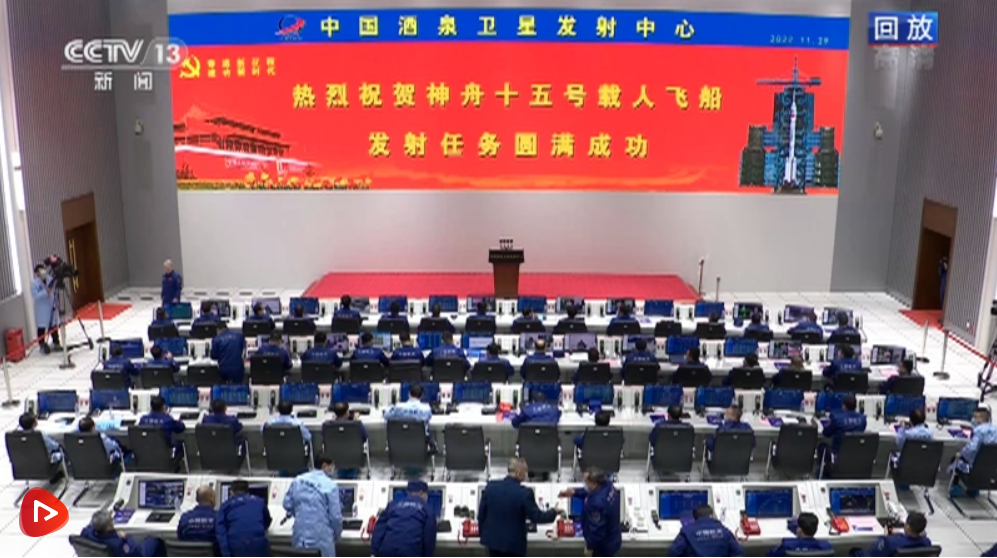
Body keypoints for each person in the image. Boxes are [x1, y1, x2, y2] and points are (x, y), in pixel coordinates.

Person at [479, 458, 561, 556]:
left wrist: (483, 535)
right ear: (518, 472)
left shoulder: (490, 487)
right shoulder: (525, 493)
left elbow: (481, 515)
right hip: (514, 546)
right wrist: (554, 512)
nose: (526, 475)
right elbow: (537, 517)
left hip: (492, 544)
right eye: (525, 472)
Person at [283, 456, 343, 557]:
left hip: (300, 537)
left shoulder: (298, 480)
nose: (333, 469)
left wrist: (299, 514)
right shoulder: (330, 486)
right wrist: (336, 535)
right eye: (332, 466)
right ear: (324, 466)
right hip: (321, 540)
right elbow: (335, 517)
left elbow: (287, 504)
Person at [557, 467, 622, 557]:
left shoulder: (596, 503)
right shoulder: (607, 484)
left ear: (594, 483)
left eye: (586, 482)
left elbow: (597, 531)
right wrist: (574, 492)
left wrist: (589, 548)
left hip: (603, 547)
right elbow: (592, 491)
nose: (585, 485)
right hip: (614, 537)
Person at [370, 480, 437, 557]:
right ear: (421, 493)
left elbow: (379, 529)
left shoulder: (393, 505)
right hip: (410, 552)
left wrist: (374, 552)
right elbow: (429, 539)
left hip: (387, 550)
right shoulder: (427, 509)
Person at [949, 407, 997, 495]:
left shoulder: (979, 431)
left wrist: (960, 454)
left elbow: (972, 448)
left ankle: (956, 488)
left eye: (975, 417)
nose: (973, 419)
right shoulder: (995, 429)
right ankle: (974, 490)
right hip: (991, 467)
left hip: (974, 466)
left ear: (981, 419)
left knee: (955, 459)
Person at [217, 479, 272, 557]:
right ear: (247, 491)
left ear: (231, 492)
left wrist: (226, 553)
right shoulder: (260, 501)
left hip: (236, 545)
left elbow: (220, 532)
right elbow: (267, 521)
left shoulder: (225, 506)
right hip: (258, 545)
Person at [80, 509, 165, 557]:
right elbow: (136, 554)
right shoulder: (118, 543)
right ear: (108, 526)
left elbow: (89, 527)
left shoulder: (87, 533)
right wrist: (127, 537)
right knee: (154, 540)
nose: (113, 521)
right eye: (111, 520)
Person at [669, 504, 744, 557]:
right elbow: (739, 553)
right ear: (712, 515)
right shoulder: (724, 531)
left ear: (695, 518)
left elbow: (674, 552)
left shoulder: (687, 531)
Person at [850, 511, 930, 556]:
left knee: (854, 551)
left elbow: (873, 553)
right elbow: (910, 540)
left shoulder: (889, 542)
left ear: (908, 527)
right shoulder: (927, 543)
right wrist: (900, 535)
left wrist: (885, 537)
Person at [821, 394, 867, 460]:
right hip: (855, 456)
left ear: (844, 406)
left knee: (821, 446)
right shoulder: (862, 419)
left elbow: (826, 433)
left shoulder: (836, 418)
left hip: (838, 455)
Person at [767, 512, 831, 556]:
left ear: (799, 530)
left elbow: (769, 555)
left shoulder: (787, 545)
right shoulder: (825, 547)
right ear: (816, 530)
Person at [177, 486, 218, 554]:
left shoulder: (184, 517)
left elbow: (180, 538)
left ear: (196, 499)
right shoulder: (219, 518)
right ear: (212, 498)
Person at [31, 264, 60, 353]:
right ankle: (42, 345)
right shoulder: (34, 284)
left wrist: (56, 302)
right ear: (37, 273)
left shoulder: (50, 279)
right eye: (40, 270)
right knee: (42, 327)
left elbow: (54, 291)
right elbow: (36, 296)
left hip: (51, 306)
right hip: (42, 309)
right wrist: (45, 292)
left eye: (43, 269)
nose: (43, 272)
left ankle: (56, 342)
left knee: (53, 326)